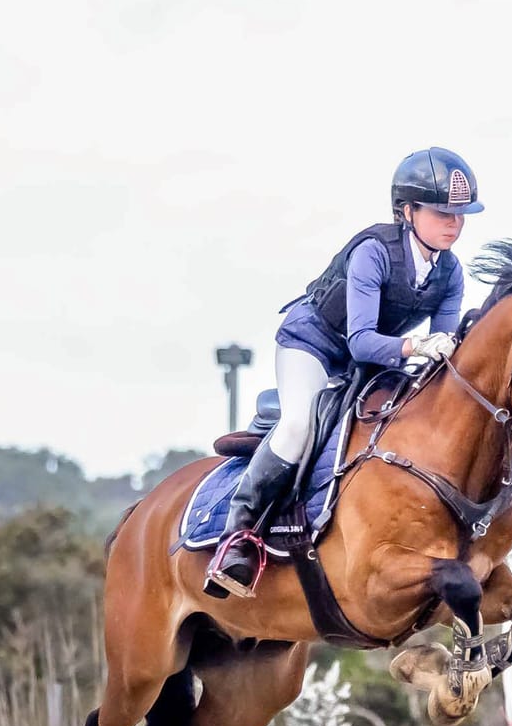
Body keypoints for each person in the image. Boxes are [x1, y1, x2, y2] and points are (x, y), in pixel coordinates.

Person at [204, 147, 482, 598]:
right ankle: (237, 538)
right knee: (297, 425)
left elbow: (440, 353)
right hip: (313, 345)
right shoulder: (374, 252)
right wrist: (416, 345)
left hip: (368, 362)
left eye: (461, 214)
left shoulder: (450, 273)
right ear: (407, 211)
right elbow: (362, 339)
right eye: (441, 212)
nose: (454, 222)